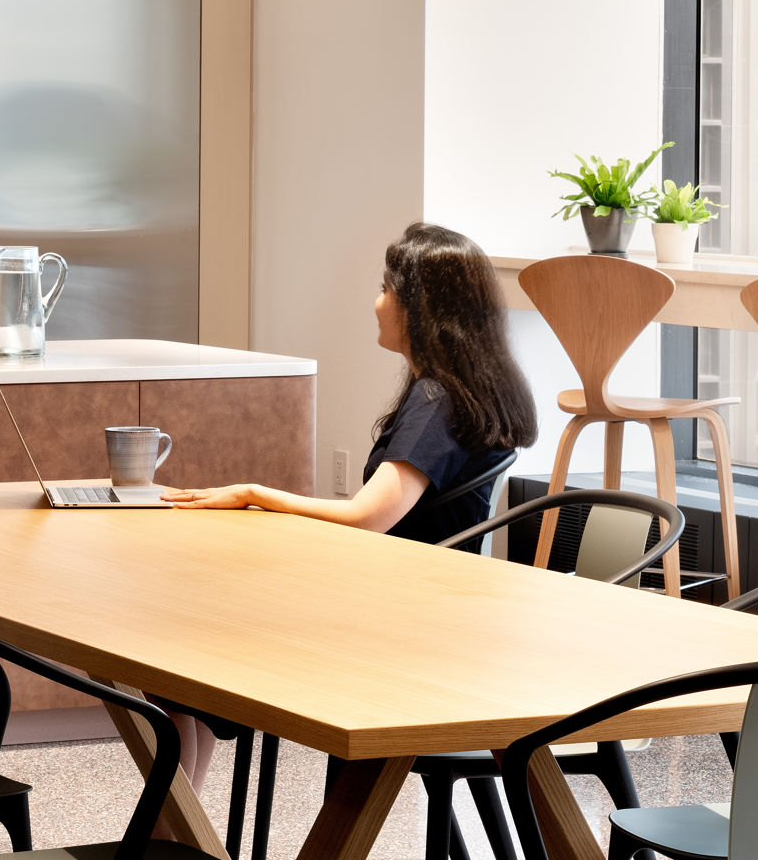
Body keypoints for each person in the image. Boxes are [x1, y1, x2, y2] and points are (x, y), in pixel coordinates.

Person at [159, 220, 536, 781]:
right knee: (182, 659)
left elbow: (366, 518)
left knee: (179, 652)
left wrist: (254, 493)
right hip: (428, 616)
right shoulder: (463, 389)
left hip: (391, 630)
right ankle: (177, 842)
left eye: (386, 289)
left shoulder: (436, 401)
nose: (376, 302)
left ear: (418, 308)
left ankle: (174, 843)